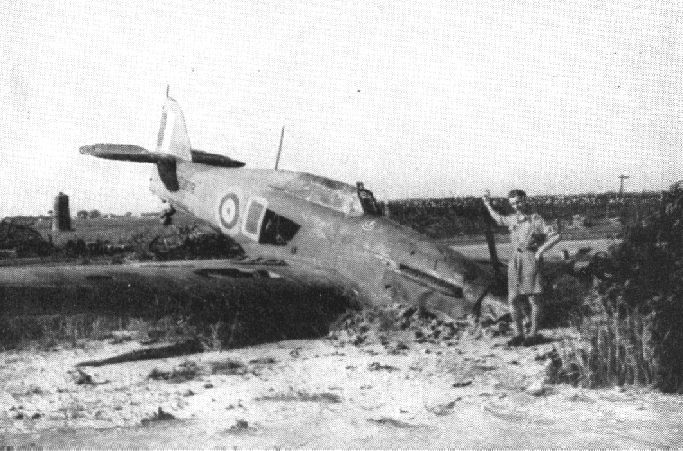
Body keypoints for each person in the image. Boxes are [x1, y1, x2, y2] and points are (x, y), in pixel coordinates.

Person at [482, 189, 560, 346]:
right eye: (512, 203)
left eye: (518, 202)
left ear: (525, 200)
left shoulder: (536, 220)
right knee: (513, 298)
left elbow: (556, 235)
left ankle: (533, 334)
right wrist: (487, 204)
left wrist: (539, 251)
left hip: (530, 258)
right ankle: (518, 334)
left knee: (534, 298)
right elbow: (499, 218)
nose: (516, 206)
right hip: (515, 259)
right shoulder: (513, 219)